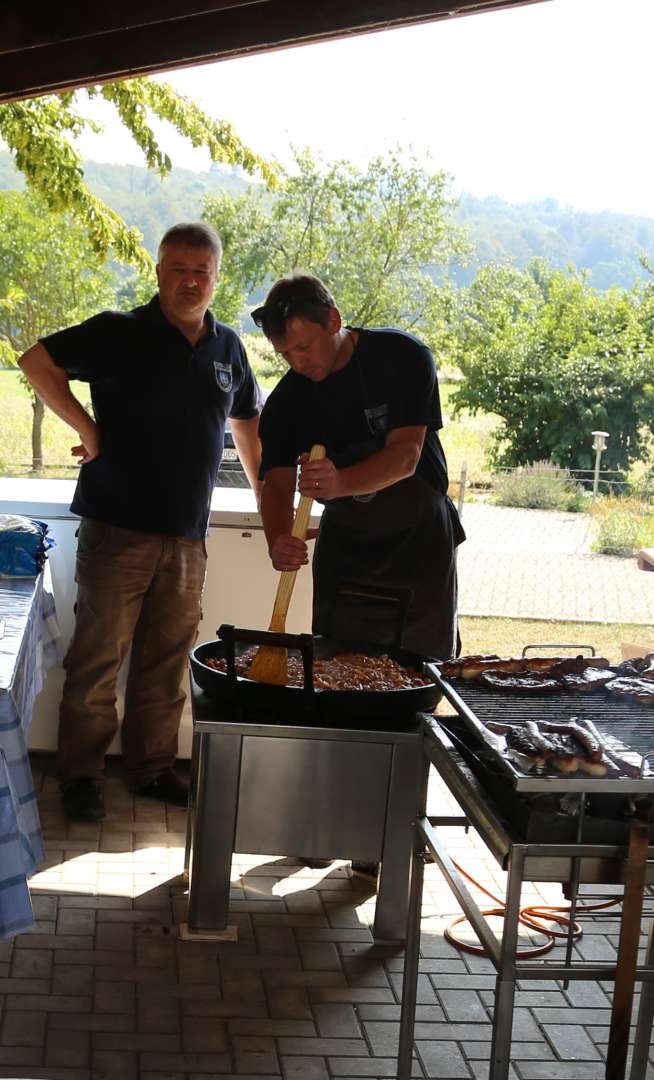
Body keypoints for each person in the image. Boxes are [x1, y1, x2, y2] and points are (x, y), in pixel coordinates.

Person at [19, 222, 263, 822]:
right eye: (178, 269)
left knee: (165, 660)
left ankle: (152, 769)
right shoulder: (118, 332)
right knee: (99, 659)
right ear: (157, 272)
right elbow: (35, 361)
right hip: (117, 526)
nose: (190, 281)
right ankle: (80, 774)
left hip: (188, 536)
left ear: (216, 277)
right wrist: (89, 430)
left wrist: (271, 512)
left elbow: (250, 427)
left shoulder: (227, 348)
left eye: (201, 271)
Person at [253, 273, 464, 663]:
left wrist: (340, 482)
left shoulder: (402, 357)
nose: (298, 362)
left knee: (422, 671)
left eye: (304, 346)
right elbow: (278, 486)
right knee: (337, 667)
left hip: (418, 541)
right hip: (346, 547)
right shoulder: (287, 402)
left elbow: (406, 456)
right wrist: (277, 537)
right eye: (285, 354)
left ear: (333, 320)